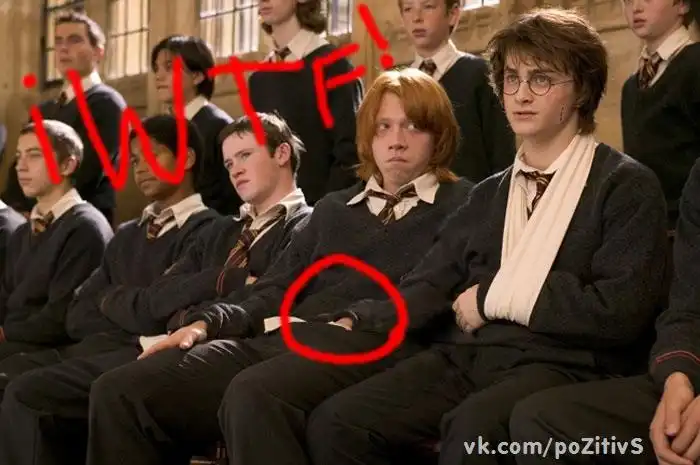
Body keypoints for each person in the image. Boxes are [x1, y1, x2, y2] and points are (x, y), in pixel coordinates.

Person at [303, 8, 669, 465]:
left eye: (541, 79)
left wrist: (493, 297)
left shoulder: (624, 185)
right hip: (474, 356)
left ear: (581, 88)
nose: (521, 94)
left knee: (472, 430)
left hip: (563, 364)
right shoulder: (488, 195)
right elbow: (432, 282)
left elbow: (618, 310)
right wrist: (357, 319)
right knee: (337, 422)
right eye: (512, 79)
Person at [84, 68, 474, 465]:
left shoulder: (462, 203)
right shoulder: (334, 208)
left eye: (413, 126)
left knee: (254, 392)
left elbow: (430, 293)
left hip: (378, 343)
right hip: (286, 337)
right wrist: (206, 323)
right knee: (121, 390)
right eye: (384, 127)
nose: (396, 140)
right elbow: (274, 288)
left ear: (438, 134)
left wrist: (350, 319)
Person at [0, 112, 313, 465]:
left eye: (245, 155)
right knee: (57, 384)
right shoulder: (221, 231)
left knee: (111, 390)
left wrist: (190, 311)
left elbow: (267, 297)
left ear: (281, 153)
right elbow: (159, 297)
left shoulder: (308, 225)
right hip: (180, 344)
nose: (235, 170)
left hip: (240, 351)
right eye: (228, 163)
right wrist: (221, 282)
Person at [506, 167, 700, 465]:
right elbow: (687, 309)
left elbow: (614, 307)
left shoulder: (625, 183)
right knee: (539, 421)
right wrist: (677, 379)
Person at [0, 120, 113, 363]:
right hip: (16, 342)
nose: (20, 166)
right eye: (18, 156)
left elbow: (61, 317)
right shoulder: (23, 231)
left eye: (34, 155)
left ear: (67, 165)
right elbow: (5, 299)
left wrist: (5, 332)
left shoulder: (85, 227)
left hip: (55, 351)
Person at [2, 11, 127, 225]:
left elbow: (86, 172)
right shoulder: (44, 110)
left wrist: (36, 209)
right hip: (33, 221)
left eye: (74, 40)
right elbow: (19, 168)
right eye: (58, 41)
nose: (63, 48)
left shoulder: (107, 103)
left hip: (80, 222)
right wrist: (16, 211)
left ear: (98, 52)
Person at [250, 0, 364, 204]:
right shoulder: (258, 79)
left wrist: (324, 212)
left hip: (324, 210)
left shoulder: (335, 66)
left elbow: (350, 155)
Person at [400, 0, 515, 181]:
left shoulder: (480, 74)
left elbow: (501, 152)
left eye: (428, 7)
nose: (416, 17)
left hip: (470, 193)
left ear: (453, 14)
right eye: (408, 9)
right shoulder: (399, 83)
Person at [620, 0, 699, 230]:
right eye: (627, 0)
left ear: (682, 5)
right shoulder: (631, 87)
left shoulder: (695, 66)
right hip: (651, 229)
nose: (636, 7)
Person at [151, 34, 241, 215]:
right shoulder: (163, 128)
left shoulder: (219, 126)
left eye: (169, 67)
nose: (158, 76)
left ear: (197, 76)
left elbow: (230, 197)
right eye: (156, 68)